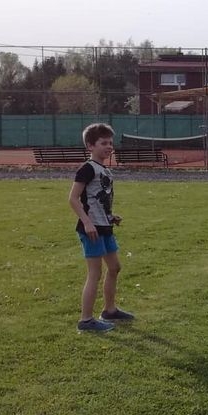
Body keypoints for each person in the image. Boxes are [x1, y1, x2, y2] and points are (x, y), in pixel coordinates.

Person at [68, 123, 134, 333]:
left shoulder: (104, 169)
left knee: (114, 268)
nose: (109, 147)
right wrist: (88, 222)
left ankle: (109, 310)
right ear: (90, 146)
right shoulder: (87, 168)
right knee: (94, 274)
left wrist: (110, 216)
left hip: (104, 226)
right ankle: (86, 320)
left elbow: (98, 200)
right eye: (103, 143)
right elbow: (73, 199)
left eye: (110, 143)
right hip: (92, 230)